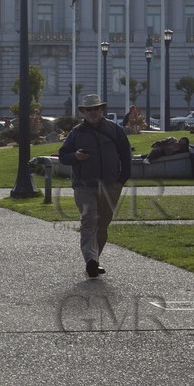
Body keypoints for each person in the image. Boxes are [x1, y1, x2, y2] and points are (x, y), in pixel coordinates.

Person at [57, 93, 133, 279]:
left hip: (110, 185)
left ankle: (94, 259)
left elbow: (126, 154)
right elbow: (63, 155)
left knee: (102, 225)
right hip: (84, 186)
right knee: (89, 220)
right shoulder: (76, 133)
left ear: (102, 109)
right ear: (83, 111)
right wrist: (75, 156)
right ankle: (91, 260)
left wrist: (121, 180)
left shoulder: (115, 130)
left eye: (95, 108)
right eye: (88, 109)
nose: (92, 112)